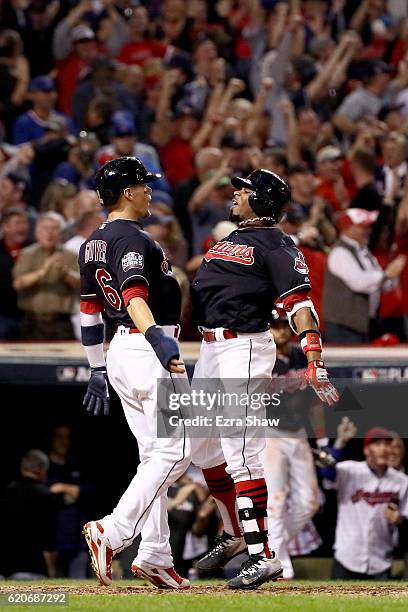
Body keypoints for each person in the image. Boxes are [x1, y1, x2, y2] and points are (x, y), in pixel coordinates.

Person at [190, 169, 338, 589]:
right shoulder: (231, 237)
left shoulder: (279, 242)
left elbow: (300, 303)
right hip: (210, 346)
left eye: (245, 189)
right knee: (200, 445)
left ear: (265, 200)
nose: (236, 193)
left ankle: (264, 555)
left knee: (241, 450)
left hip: (245, 346)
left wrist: (313, 355)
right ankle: (235, 533)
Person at [79, 157, 191, 589]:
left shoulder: (92, 241)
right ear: (128, 192)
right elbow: (133, 294)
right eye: (144, 186)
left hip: (121, 351)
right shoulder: (131, 236)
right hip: (147, 345)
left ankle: (155, 553)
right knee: (176, 451)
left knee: (154, 457)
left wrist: (95, 367)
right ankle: (112, 530)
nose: (150, 192)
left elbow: (89, 311)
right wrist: (158, 340)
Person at [262, 308, 320, 580]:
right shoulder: (262, 357)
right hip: (269, 433)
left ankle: (273, 547)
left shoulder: (300, 356)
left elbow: (312, 401)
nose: (282, 330)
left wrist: (318, 438)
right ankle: (280, 564)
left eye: (285, 325)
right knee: (275, 500)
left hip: (297, 432)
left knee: (310, 502)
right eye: (276, 325)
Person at [329, 427, 408, 580]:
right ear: (366, 450)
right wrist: (339, 444)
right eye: (377, 444)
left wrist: (399, 520)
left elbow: (405, 519)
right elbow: (326, 472)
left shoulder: (401, 481)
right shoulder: (350, 470)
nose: (384, 449)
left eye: (387, 444)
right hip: (347, 558)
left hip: (381, 560)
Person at [323, 208, 406, 344]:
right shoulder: (340, 253)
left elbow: (383, 285)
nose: (368, 230)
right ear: (348, 228)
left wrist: (392, 275)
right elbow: (360, 283)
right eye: (363, 227)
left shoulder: (363, 251)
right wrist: (386, 274)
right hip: (344, 325)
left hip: (364, 323)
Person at [13, 212, 80, 340]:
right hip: (32, 322)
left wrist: (64, 272)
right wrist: (43, 271)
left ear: (60, 233)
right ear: (37, 232)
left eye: (54, 229)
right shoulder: (27, 254)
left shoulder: (70, 255)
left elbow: (82, 284)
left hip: (61, 322)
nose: (50, 233)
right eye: (45, 228)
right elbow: (18, 284)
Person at [0, 450, 57, 579]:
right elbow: (49, 538)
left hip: (3, 568)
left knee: (5, 600)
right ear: (40, 470)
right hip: (32, 568)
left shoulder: (6, 492)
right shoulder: (45, 495)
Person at [0, 208, 29, 339]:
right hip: (3, 315)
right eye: (17, 223)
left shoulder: (33, 249)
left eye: (24, 223)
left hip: (28, 315)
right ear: (5, 227)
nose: (22, 227)